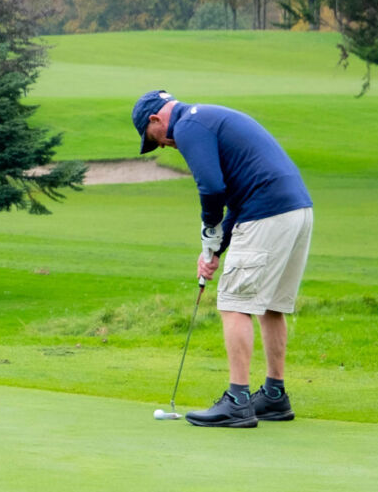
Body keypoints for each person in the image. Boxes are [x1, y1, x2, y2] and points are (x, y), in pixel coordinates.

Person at [132, 89, 314, 428]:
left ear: (156, 119)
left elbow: (213, 190)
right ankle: (274, 396)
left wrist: (208, 231)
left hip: (266, 213)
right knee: (272, 304)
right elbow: (236, 197)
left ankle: (238, 401)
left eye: (151, 137)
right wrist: (215, 249)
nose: (160, 145)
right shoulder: (207, 117)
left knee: (234, 304)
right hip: (297, 210)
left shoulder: (187, 126)